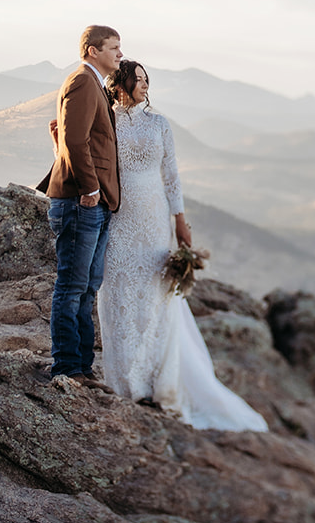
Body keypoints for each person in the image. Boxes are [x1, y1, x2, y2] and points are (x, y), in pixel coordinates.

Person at [97, 60, 267, 432]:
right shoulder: (106, 121)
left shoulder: (159, 124)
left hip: (155, 215)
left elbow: (171, 174)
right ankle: (127, 381)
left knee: (156, 294)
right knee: (121, 293)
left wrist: (180, 222)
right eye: (137, 80)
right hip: (120, 217)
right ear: (121, 83)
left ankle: (159, 379)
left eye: (146, 80)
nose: (144, 85)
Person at [38, 24, 123, 385]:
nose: (120, 54)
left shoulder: (95, 85)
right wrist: (89, 189)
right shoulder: (83, 82)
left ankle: (83, 366)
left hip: (95, 200)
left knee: (88, 286)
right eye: (114, 47)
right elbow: (74, 139)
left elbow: (61, 129)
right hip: (81, 200)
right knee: (72, 287)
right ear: (92, 50)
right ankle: (67, 366)